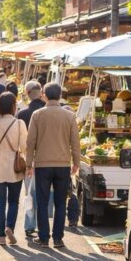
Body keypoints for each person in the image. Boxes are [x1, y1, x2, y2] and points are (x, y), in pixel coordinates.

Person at [25, 83, 81, 248]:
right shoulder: (69, 116)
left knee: (42, 202)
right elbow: (75, 143)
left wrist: (29, 164)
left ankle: (43, 238)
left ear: (44, 95)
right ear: (60, 96)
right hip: (63, 164)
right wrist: (76, 163)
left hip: (42, 164)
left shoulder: (37, 114)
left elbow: (30, 142)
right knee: (60, 202)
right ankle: (58, 238)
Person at [0, 92, 27, 245]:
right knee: (14, 201)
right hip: (14, 167)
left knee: (0, 203)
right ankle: (10, 227)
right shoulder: (19, 123)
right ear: (13, 106)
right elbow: (24, 146)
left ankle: (1, 236)